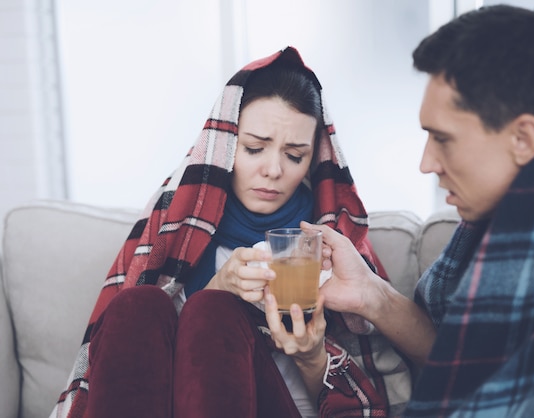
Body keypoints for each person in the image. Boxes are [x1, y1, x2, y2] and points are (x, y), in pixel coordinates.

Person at [51, 46, 412, 418]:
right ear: (224, 148)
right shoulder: (179, 224)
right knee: (137, 304)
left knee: (213, 310)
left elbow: (360, 394)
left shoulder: (331, 239)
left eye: (294, 155)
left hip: (289, 404)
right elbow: (156, 370)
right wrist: (220, 285)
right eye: (254, 148)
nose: (273, 170)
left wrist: (311, 354)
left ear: (312, 159)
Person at [303, 5, 534, 417]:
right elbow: (461, 365)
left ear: (523, 138)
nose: (426, 163)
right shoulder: (516, 210)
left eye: (443, 138)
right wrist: (370, 293)